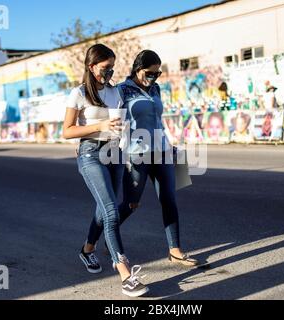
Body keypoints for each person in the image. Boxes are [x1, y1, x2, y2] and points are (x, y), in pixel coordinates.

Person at [89, 50, 199, 268]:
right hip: (135, 153)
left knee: (169, 200)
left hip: (162, 151)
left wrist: (169, 144)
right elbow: (110, 121)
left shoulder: (156, 88)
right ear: (137, 69)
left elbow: (157, 119)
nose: (153, 77)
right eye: (150, 73)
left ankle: (175, 250)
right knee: (131, 204)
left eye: (157, 74)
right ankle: (96, 239)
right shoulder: (121, 90)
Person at [63, 44, 149, 298]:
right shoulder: (78, 93)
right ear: (91, 67)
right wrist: (99, 124)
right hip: (90, 154)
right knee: (111, 211)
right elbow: (67, 130)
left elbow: (121, 125)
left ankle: (88, 250)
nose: (109, 74)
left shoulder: (114, 93)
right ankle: (125, 273)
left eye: (112, 68)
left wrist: (127, 149)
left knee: (104, 209)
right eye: (104, 69)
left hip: (115, 153)